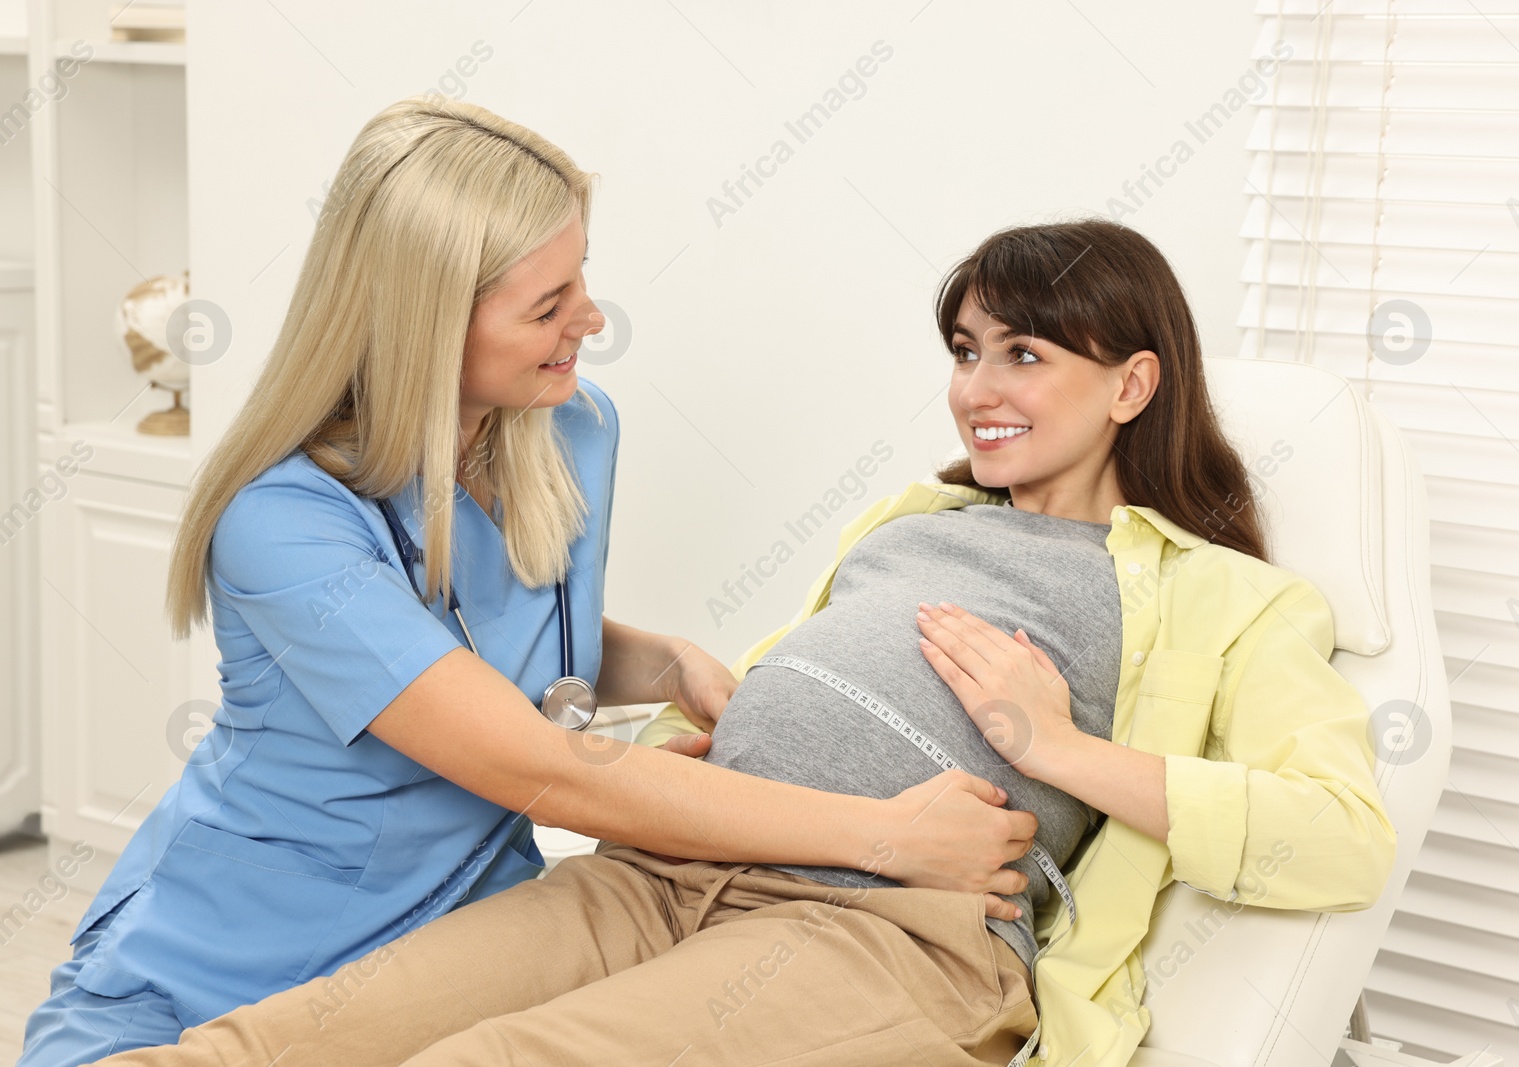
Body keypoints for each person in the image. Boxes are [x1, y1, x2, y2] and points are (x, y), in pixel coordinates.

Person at [85, 219, 1397, 1067]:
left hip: (882, 932)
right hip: (664, 867)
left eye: (1024, 353)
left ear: (1132, 382)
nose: (977, 389)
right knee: (269, 1043)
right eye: (964, 350)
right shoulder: (913, 515)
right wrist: (702, 716)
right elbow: (782, 693)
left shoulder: (1227, 597)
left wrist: (1052, 745)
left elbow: (1341, 833)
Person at [16, 97, 1034, 1067]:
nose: (590, 318)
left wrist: (665, 659)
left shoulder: (574, 431)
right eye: (547, 304)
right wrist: (889, 834)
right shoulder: (283, 525)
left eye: (582, 277)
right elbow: (541, 767)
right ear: (422, 321)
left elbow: (486, 636)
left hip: (462, 943)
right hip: (230, 975)